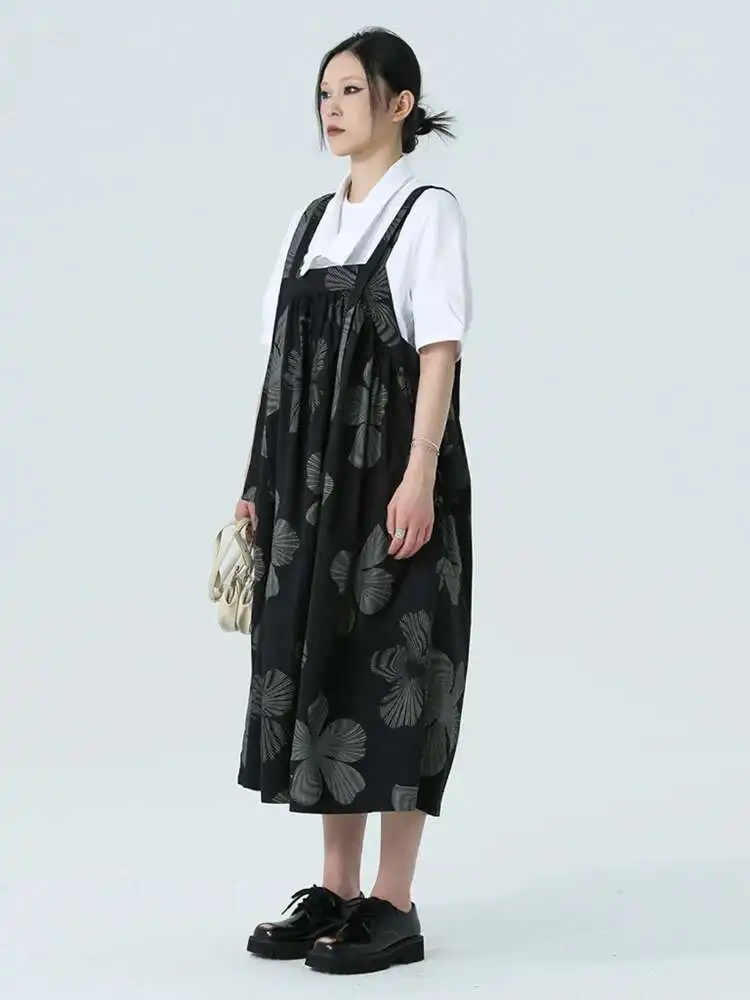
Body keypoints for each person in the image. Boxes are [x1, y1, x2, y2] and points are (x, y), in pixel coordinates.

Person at [233, 26, 473, 975]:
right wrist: (256, 483)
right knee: (323, 667)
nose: (330, 108)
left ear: (399, 103)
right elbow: (278, 366)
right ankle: (335, 892)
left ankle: (394, 905)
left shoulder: (426, 212)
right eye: (323, 92)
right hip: (305, 483)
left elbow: (439, 350)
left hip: (388, 474)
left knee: (398, 677)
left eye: (348, 90)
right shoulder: (311, 222)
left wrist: (419, 474)